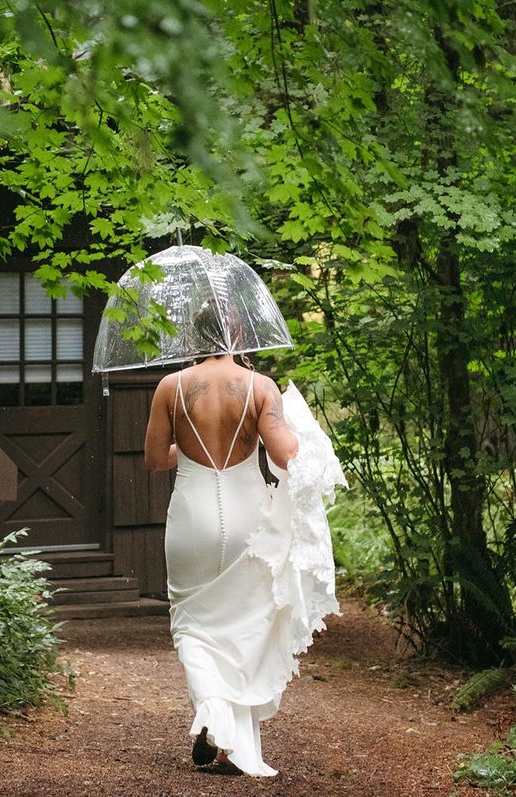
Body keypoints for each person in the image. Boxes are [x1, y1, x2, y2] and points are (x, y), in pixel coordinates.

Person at [142, 307, 345, 777]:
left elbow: (155, 459)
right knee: (244, 624)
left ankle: (213, 710)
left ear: (195, 335)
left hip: (191, 514)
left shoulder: (170, 387)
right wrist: (296, 428)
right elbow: (286, 453)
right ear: (237, 334)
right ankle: (234, 746)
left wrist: (190, 452)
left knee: (190, 623)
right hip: (247, 518)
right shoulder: (259, 387)